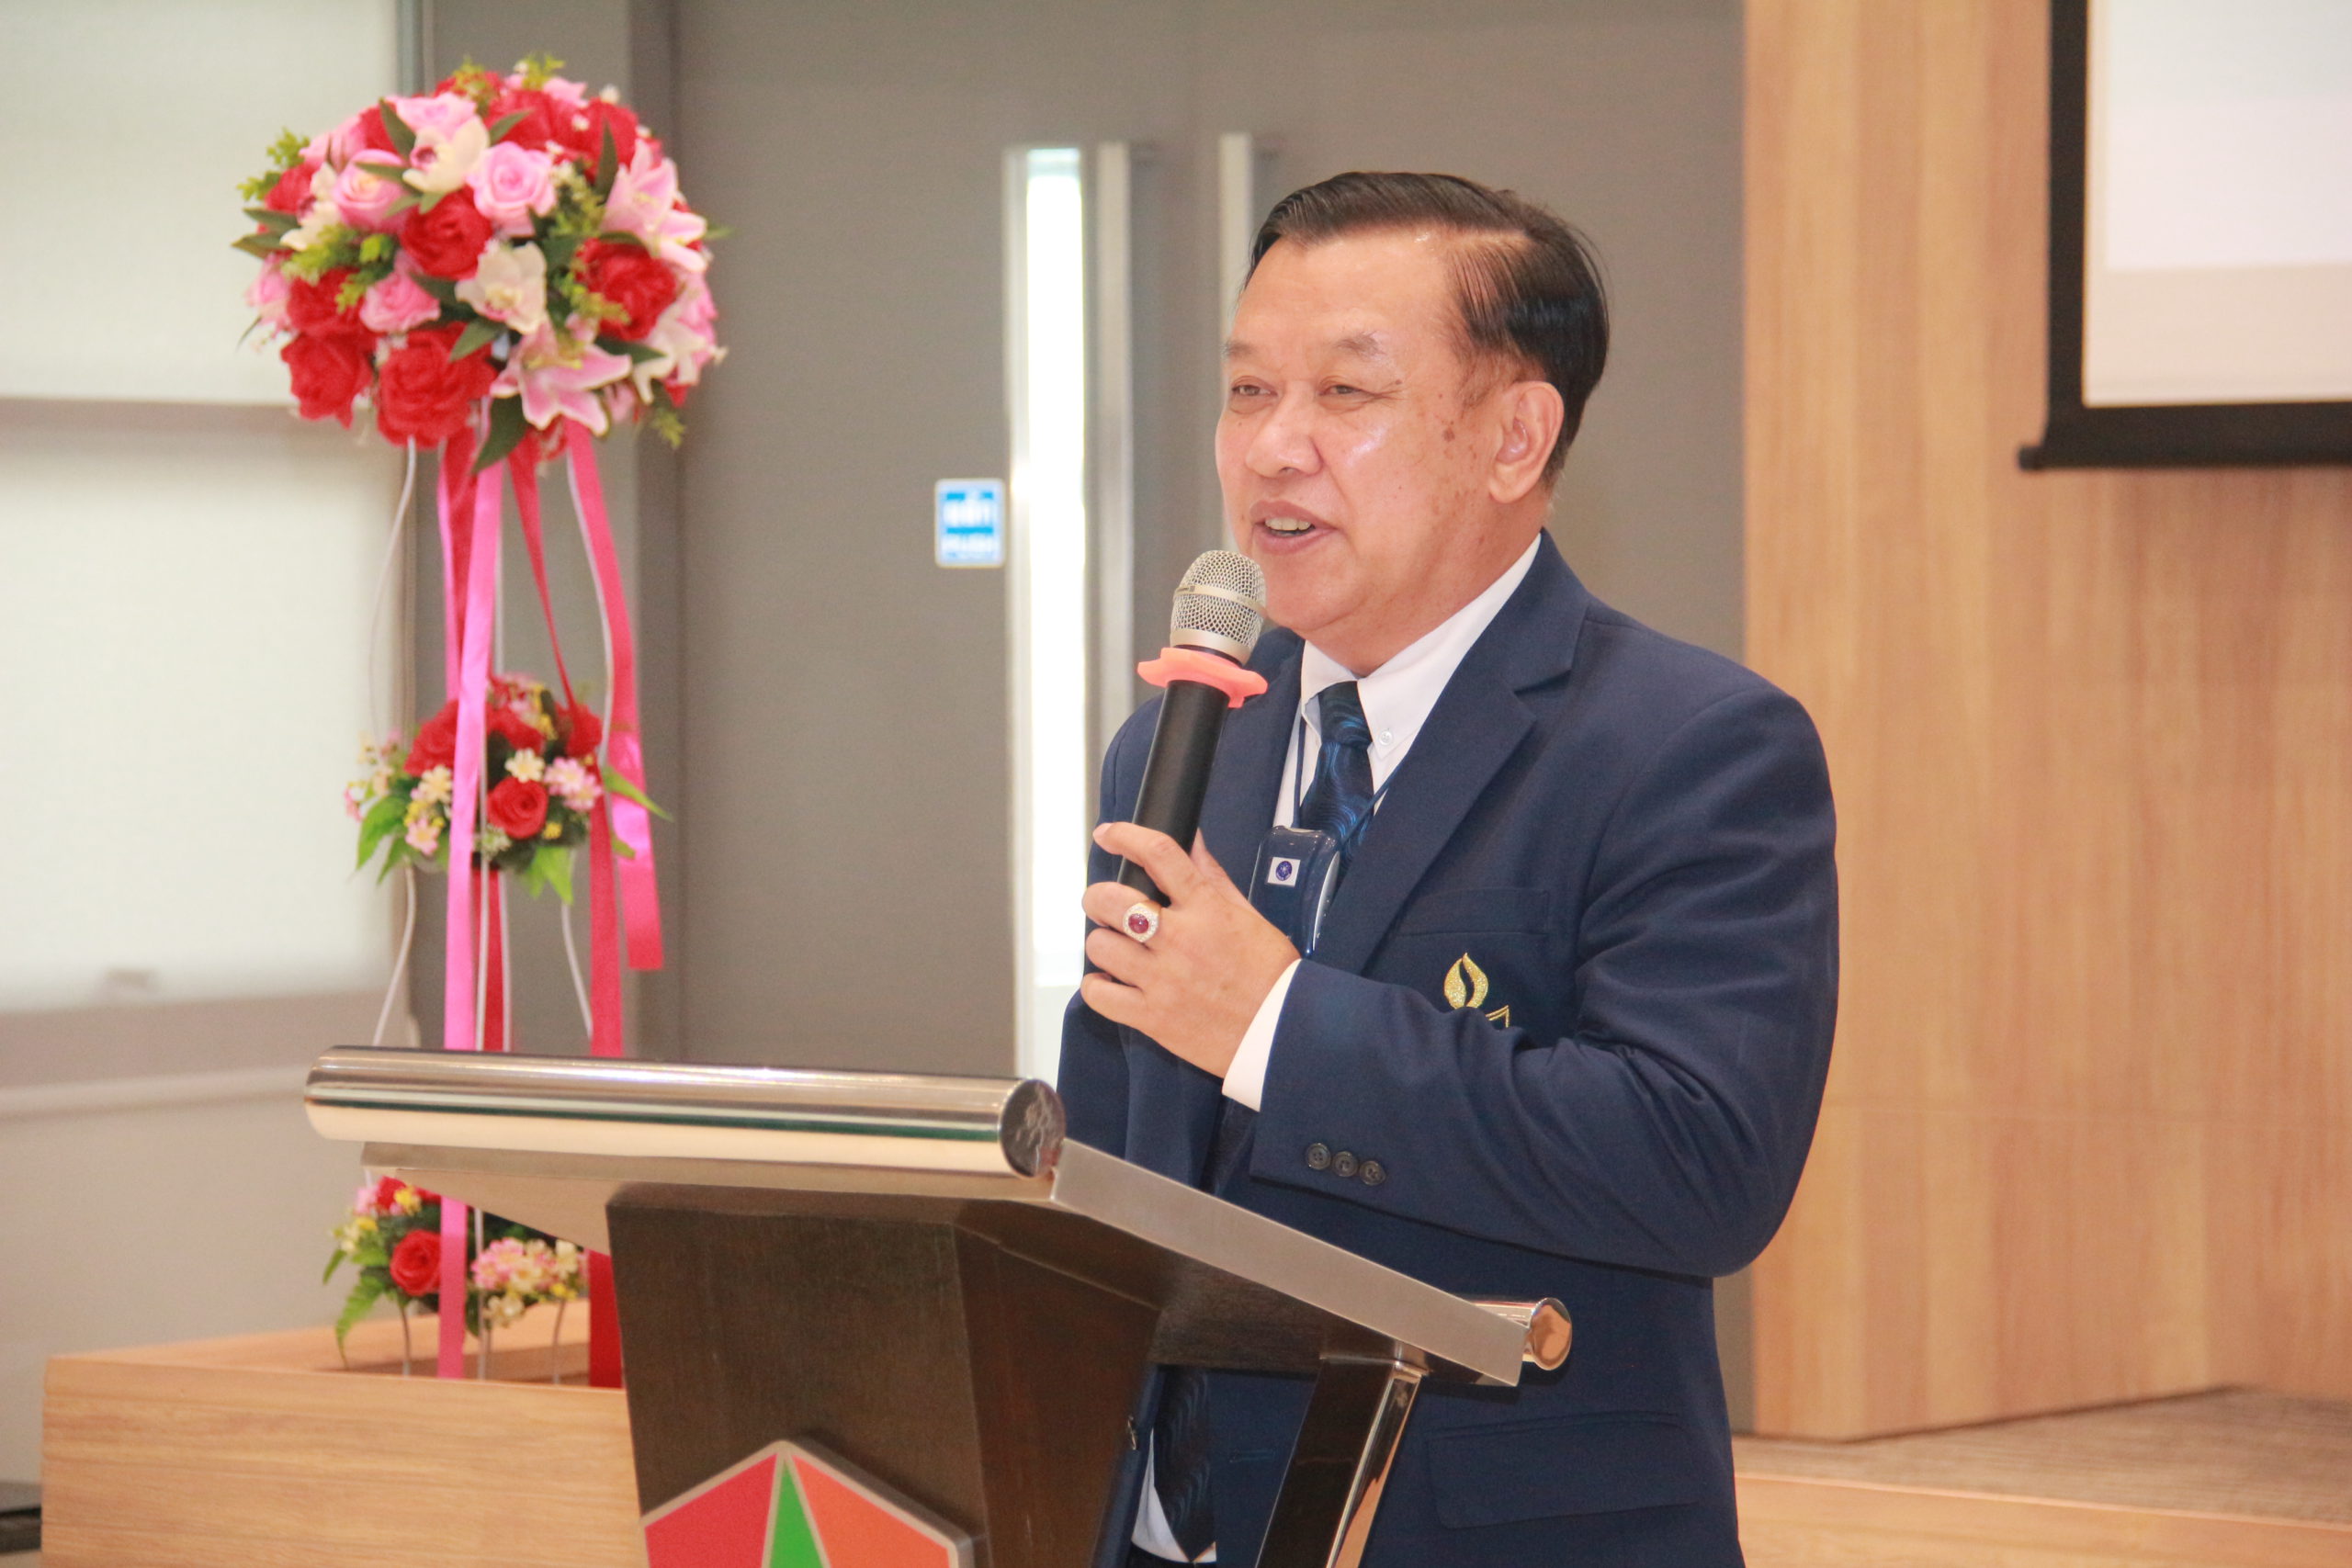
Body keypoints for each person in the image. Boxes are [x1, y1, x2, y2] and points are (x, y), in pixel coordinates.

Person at [1059, 171, 1837, 1568]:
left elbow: (1700, 1162)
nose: (1274, 448)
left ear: (1514, 437)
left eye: (1345, 393)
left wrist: (1275, 1027)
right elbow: (1126, 1157)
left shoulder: (1689, 745)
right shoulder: (1181, 747)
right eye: (1248, 392)